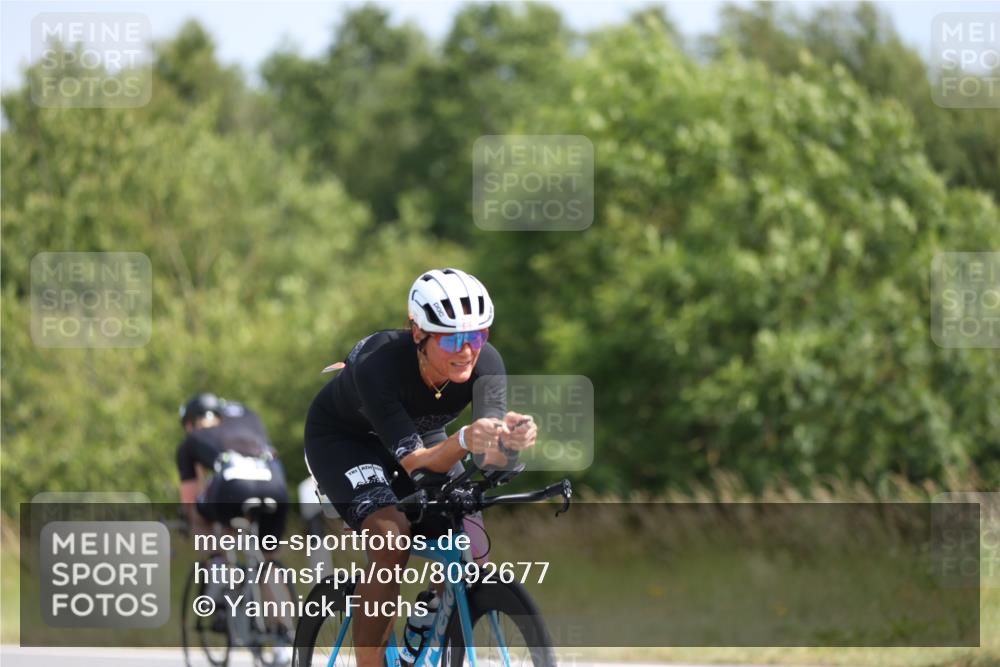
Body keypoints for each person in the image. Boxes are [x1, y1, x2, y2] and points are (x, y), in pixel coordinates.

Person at [304, 268, 537, 666]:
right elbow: (417, 464)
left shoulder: (488, 363)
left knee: (471, 539)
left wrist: (509, 442)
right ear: (418, 333)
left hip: (423, 437)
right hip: (345, 442)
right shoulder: (378, 364)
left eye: (477, 336)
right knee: (391, 538)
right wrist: (464, 439)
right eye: (452, 339)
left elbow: (488, 457)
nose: (467, 350)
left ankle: (428, 618)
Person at [176, 393, 289, 552]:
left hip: (233, 487)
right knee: (269, 553)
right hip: (275, 486)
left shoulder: (192, 439)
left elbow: (189, 498)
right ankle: (271, 566)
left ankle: (216, 561)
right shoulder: (249, 424)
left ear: (189, 423)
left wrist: (188, 516)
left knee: (200, 514)